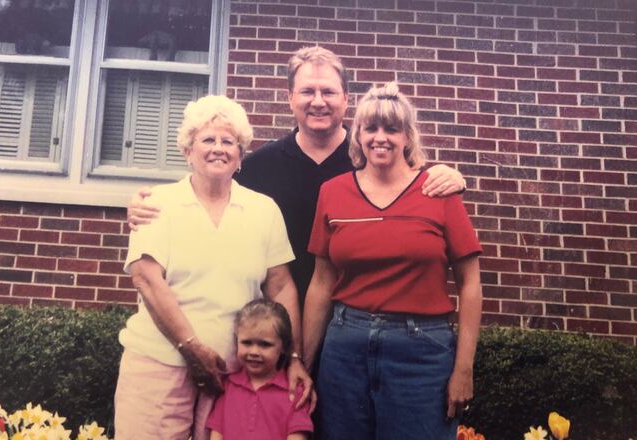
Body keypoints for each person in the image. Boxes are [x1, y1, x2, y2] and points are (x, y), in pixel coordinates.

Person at [129, 46, 466, 307]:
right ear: (290, 98)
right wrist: (143, 203)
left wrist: (450, 175)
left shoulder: (373, 160)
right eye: (307, 92)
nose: (318, 102)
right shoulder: (257, 167)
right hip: (274, 323)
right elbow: (206, 193)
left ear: (346, 99)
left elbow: (412, 180)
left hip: (351, 323)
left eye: (328, 92)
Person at [114, 95, 310, 440]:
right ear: (188, 150)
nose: (218, 148)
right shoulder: (157, 204)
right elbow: (146, 279)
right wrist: (191, 348)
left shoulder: (263, 210)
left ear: (240, 154)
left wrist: (294, 356)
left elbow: (281, 286)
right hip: (157, 364)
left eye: (228, 141)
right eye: (207, 139)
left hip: (230, 375)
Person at [302, 82, 483, 439]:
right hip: (344, 349)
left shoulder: (438, 191)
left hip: (420, 353)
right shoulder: (333, 192)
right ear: (358, 136)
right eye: (371, 128)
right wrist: (304, 366)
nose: (380, 138)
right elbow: (321, 283)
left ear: (407, 137)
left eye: (391, 128)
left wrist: (464, 368)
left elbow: (470, 284)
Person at [207, 299, 313, 440]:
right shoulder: (227, 385)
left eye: (265, 344)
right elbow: (217, 432)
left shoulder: (295, 391)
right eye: (247, 343)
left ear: (284, 347)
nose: (254, 351)